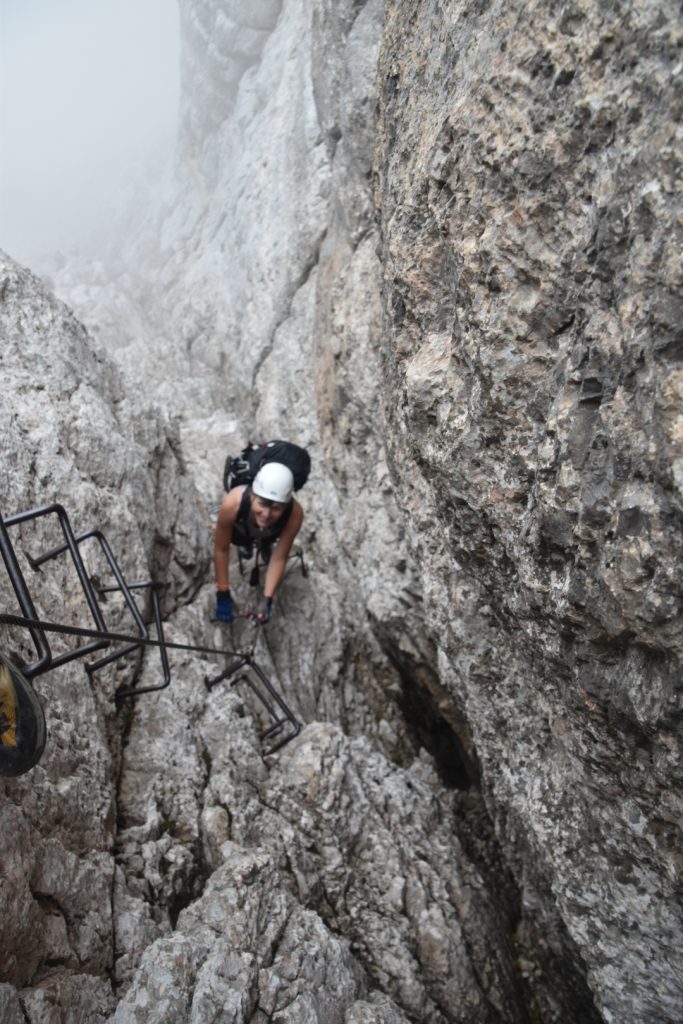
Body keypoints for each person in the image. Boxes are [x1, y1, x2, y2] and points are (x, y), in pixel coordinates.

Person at [214, 462, 304, 624]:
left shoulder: (294, 514)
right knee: (242, 536)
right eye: (262, 504)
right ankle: (248, 543)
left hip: (272, 532)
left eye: (276, 508)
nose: (267, 513)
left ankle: (264, 542)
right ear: (252, 496)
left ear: (285, 505)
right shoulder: (233, 503)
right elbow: (221, 548)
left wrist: (266, 599)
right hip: (242, 529)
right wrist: (223, 592)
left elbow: (279, 557)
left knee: (267, 533)